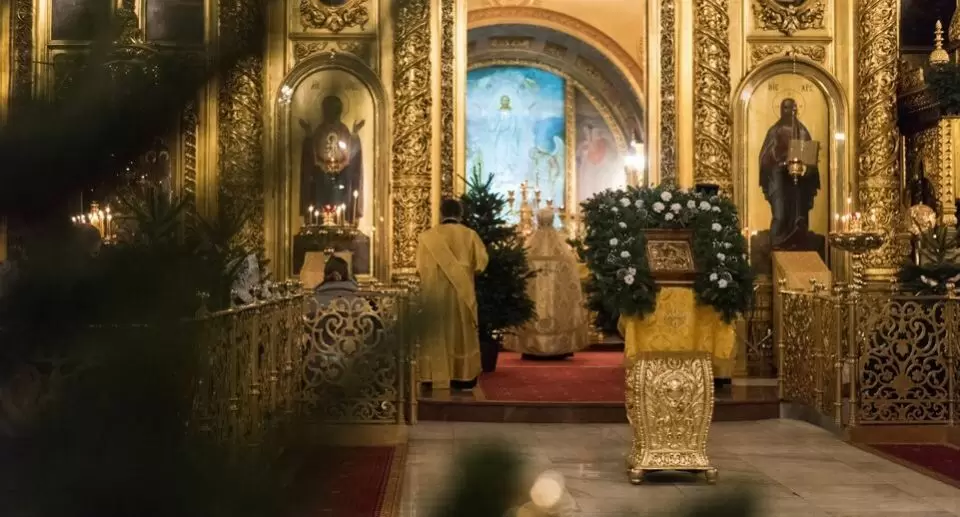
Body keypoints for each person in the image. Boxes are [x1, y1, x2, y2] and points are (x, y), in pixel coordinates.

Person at [417, 199, 489, 390]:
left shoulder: (427, 237)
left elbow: (420, 267)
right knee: (461, 334)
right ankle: (462, 375)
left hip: (435, 295)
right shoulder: (470, 235)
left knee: (436, 332)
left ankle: (432, 376)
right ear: (460, 214)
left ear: (441, 213)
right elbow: (481, 264)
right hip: (461, 295)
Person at [504, 208, 588, 359]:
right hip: (555, 298)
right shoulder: (564, 253)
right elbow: (572, 283)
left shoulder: (529, 249)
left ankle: (532, 344)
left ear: (538, 220)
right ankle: (559, 346)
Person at [758, 98, 821, 249]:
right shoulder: (774, 131)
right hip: (778, 177)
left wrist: (806, 166)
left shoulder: (802, 131)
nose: (791, 111)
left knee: (800, 214)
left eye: (793, 108)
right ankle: (776, 246)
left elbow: (809, 157)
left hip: (798, 180)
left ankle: (797, 244)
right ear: (781, 110)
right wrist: (781, 161)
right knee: (780, 215)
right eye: (786, 108)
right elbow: (765, 156)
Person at [299, 95, 364, 223]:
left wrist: (355, 134)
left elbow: (349, 155)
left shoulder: (343, 129)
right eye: (329, 109)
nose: (332, 113)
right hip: (322, 174)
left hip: (341, 175)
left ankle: (340, 220)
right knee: (319, 182)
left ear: (339, 111)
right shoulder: (320, 130)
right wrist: (322, 165)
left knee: (343, 184)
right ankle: (320, 220)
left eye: (335, 110)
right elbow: (313, 153)